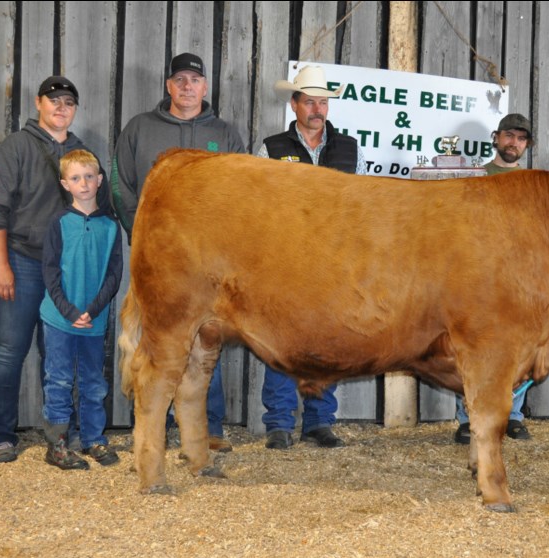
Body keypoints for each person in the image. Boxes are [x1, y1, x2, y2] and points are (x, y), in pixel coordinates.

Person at [112, 52, 245, 452]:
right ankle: (154, 427)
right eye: (180, 79)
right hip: (159, 261)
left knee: (208, 335)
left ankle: (208, 429)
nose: (188, 86)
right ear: (168, 86)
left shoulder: (225, 134)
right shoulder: (139, 128)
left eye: (195, 80)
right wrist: (145, 238)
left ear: (205, 87)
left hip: (210, 261)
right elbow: (120, 183)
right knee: (158, 335)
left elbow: (242, 195)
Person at [0, 76, 111, 463]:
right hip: (20, 259)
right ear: (38, 103)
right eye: (53, 100)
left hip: (68, 270)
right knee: (9, 350)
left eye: (68, 101)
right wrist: (0, 265)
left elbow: (101, 212)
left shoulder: (83, 155)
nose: (60, 106)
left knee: (59, 356)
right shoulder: (16, 147)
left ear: (74, 109)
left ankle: (58, 435)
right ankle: (0, 436)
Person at [256, 64, 365, 449]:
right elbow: (258, 205)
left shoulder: (350, 148)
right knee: (281, 339)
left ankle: (319, 421)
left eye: (322, 102)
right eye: (309, 102)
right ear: (295, 105)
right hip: (285, 259)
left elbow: (361, 203)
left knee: (327, 340)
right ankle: (279, 423)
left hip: (334, 261)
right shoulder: (270, 148)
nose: (317, 109)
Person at [453, 113, 534, 444]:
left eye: (521, 138)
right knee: (471, 345)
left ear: (526, 145)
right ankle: (466, 416)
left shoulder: (533, 184)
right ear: (496, 137)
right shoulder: (474, 177)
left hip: (518, 276)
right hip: (478, 274)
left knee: (517, 348)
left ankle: (512, 415)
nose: (513, 143)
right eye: (509, 136)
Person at [40, 150, 123, 470]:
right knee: (58, 379)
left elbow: (114, 274)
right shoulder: (58, 223)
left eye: (89, 176)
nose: (84, 183)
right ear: (65, 184)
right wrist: (70, 310)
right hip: (59, 318)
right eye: (76, 178)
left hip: (95, 320)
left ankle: (93, 439)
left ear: (100, 179)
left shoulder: (111, 226)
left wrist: (92, 309)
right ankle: (57, 443)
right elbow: (49, 272)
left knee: (93, 381)